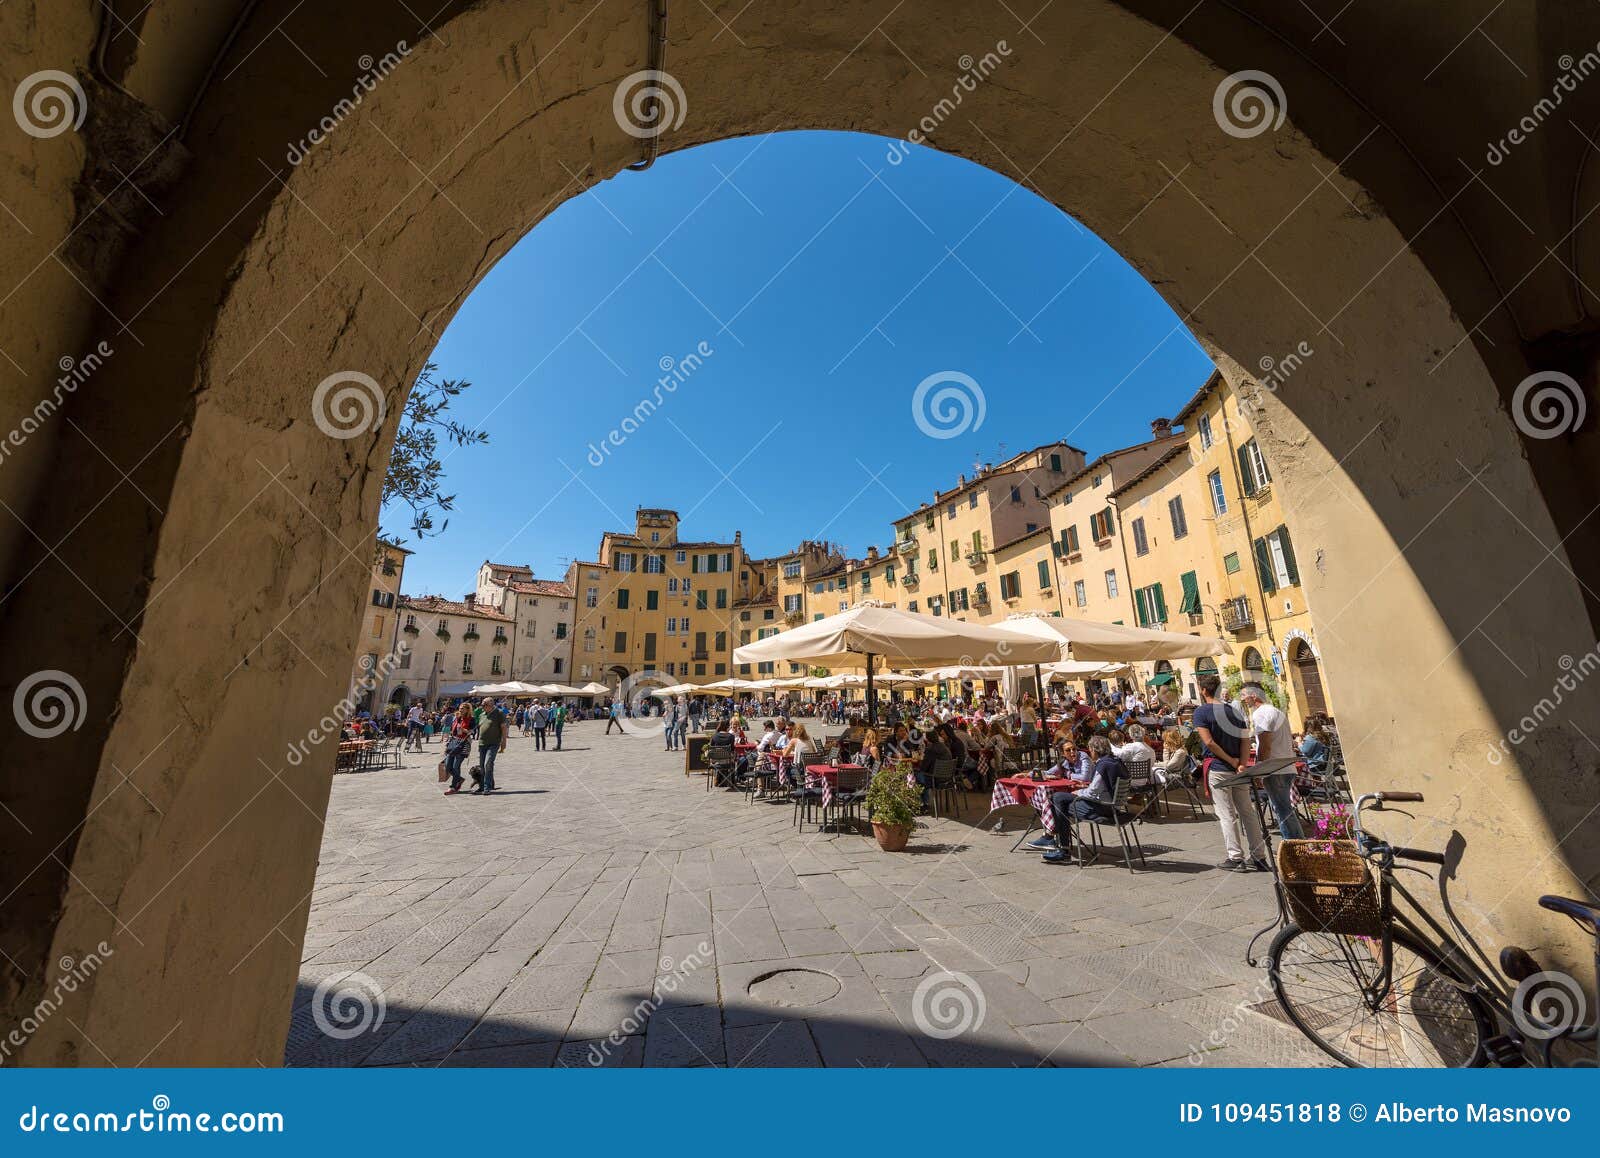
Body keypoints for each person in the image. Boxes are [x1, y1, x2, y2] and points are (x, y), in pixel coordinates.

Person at [1193, 675, 1267, 871]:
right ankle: (1259, 856)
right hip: (1238, 770)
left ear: (1203, 690)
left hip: (1219, 768)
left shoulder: (1201, 712)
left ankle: (1235, 857)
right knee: (1248, 812)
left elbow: (1209, 742)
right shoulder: (1234, 712)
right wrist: (1241, 763)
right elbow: (1245, 739)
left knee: (1226, 814)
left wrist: (1232, 761)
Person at [1041, 736, 1126, 862]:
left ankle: (1061, 847)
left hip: (1102, 808)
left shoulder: (1103, 765)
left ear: (1095, 750)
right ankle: (1055, 839)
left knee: (1057, 801)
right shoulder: (1116, 761)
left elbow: (1092, 793)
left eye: (1090, 749)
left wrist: (1077, 792)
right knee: (1059, 799)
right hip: (1114, 806)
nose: (1089, 752)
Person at [1239, 685, 1305, 839]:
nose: (1242, 699)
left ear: (1254, 695)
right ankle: (1298, 844)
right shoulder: (1276, 711)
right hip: (1286, 766)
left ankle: (1294, 847)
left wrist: (1259, 771)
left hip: (1275, 769)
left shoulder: (1261, 714)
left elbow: (1265, 746)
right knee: (1285, 809)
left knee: (1282, 811)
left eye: (1244, 695)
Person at [476, 696, 508, 794]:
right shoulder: (482, 714)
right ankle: (482, 786)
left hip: (494, 743)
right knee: (482, 766)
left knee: (488, 763)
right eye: (482, 705)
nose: (482, 707)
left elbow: (503, 728)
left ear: (491, 705)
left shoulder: (499, 713)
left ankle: (487, 787)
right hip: (482, 743)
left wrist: (504, 742)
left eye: (484, 705)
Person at [442, 703, 474, 794]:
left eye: (463, 708)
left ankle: (453, 787)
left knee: (456, 766)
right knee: (448, 766)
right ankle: (459, 780)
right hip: (453, 743)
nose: (460, 710)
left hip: (463, 744)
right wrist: (447, 744)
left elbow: (471, 731)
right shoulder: (457, 718)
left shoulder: (471, 719)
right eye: (460, 708)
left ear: (468, 710)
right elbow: (453, 732)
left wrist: (463, 730)